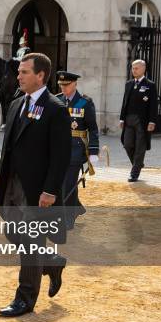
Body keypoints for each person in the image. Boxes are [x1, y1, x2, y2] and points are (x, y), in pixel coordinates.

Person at [0, 53, 71, 317]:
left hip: (37, 188)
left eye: (25, 72)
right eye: (19, 71)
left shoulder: (56, 109)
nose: (19, 76)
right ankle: (50, 262)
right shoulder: (16, 104)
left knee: (29, 239)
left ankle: (25, 298)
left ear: (40, 75)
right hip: (12, 183)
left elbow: (61, 156)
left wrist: (50, 190)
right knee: (13, 233)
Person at [56, 71, 100, 228]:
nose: (63, 88)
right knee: (59, 183)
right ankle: (77, 207)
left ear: (74, 84)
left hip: (75, 150)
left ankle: (68, 218)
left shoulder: (84, 103)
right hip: (57, 150)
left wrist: (94, 151)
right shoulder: (57, 100)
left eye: (66, 85)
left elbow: (93, 129)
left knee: (68, 184)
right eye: (61, 85)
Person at [119, 59, 157, 182]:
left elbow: (153, 105)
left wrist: (152, 121)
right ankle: (138, 164)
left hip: (142, 121)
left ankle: (134, 173)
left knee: (140, 147)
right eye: (132, 68)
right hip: (129, 119)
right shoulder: (129, 84)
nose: (133, 70)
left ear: (143, 69)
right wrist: (121, 118)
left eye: (136, 68)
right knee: (127, 144)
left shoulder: (150, 85)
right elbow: (124, 102)